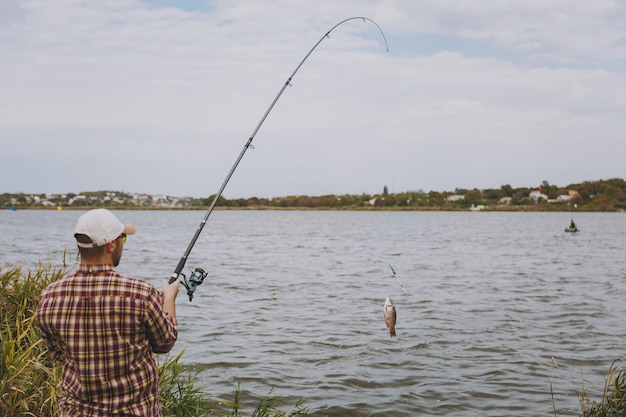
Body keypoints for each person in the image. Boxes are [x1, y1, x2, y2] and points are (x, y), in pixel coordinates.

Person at [35, 208, 180, 417]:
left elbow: (57, 353)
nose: (122, 244)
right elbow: (165, 342)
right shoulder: (141, 293)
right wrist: (169, 299)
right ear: (111, 245)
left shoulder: (49, 296)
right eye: (122, 239)